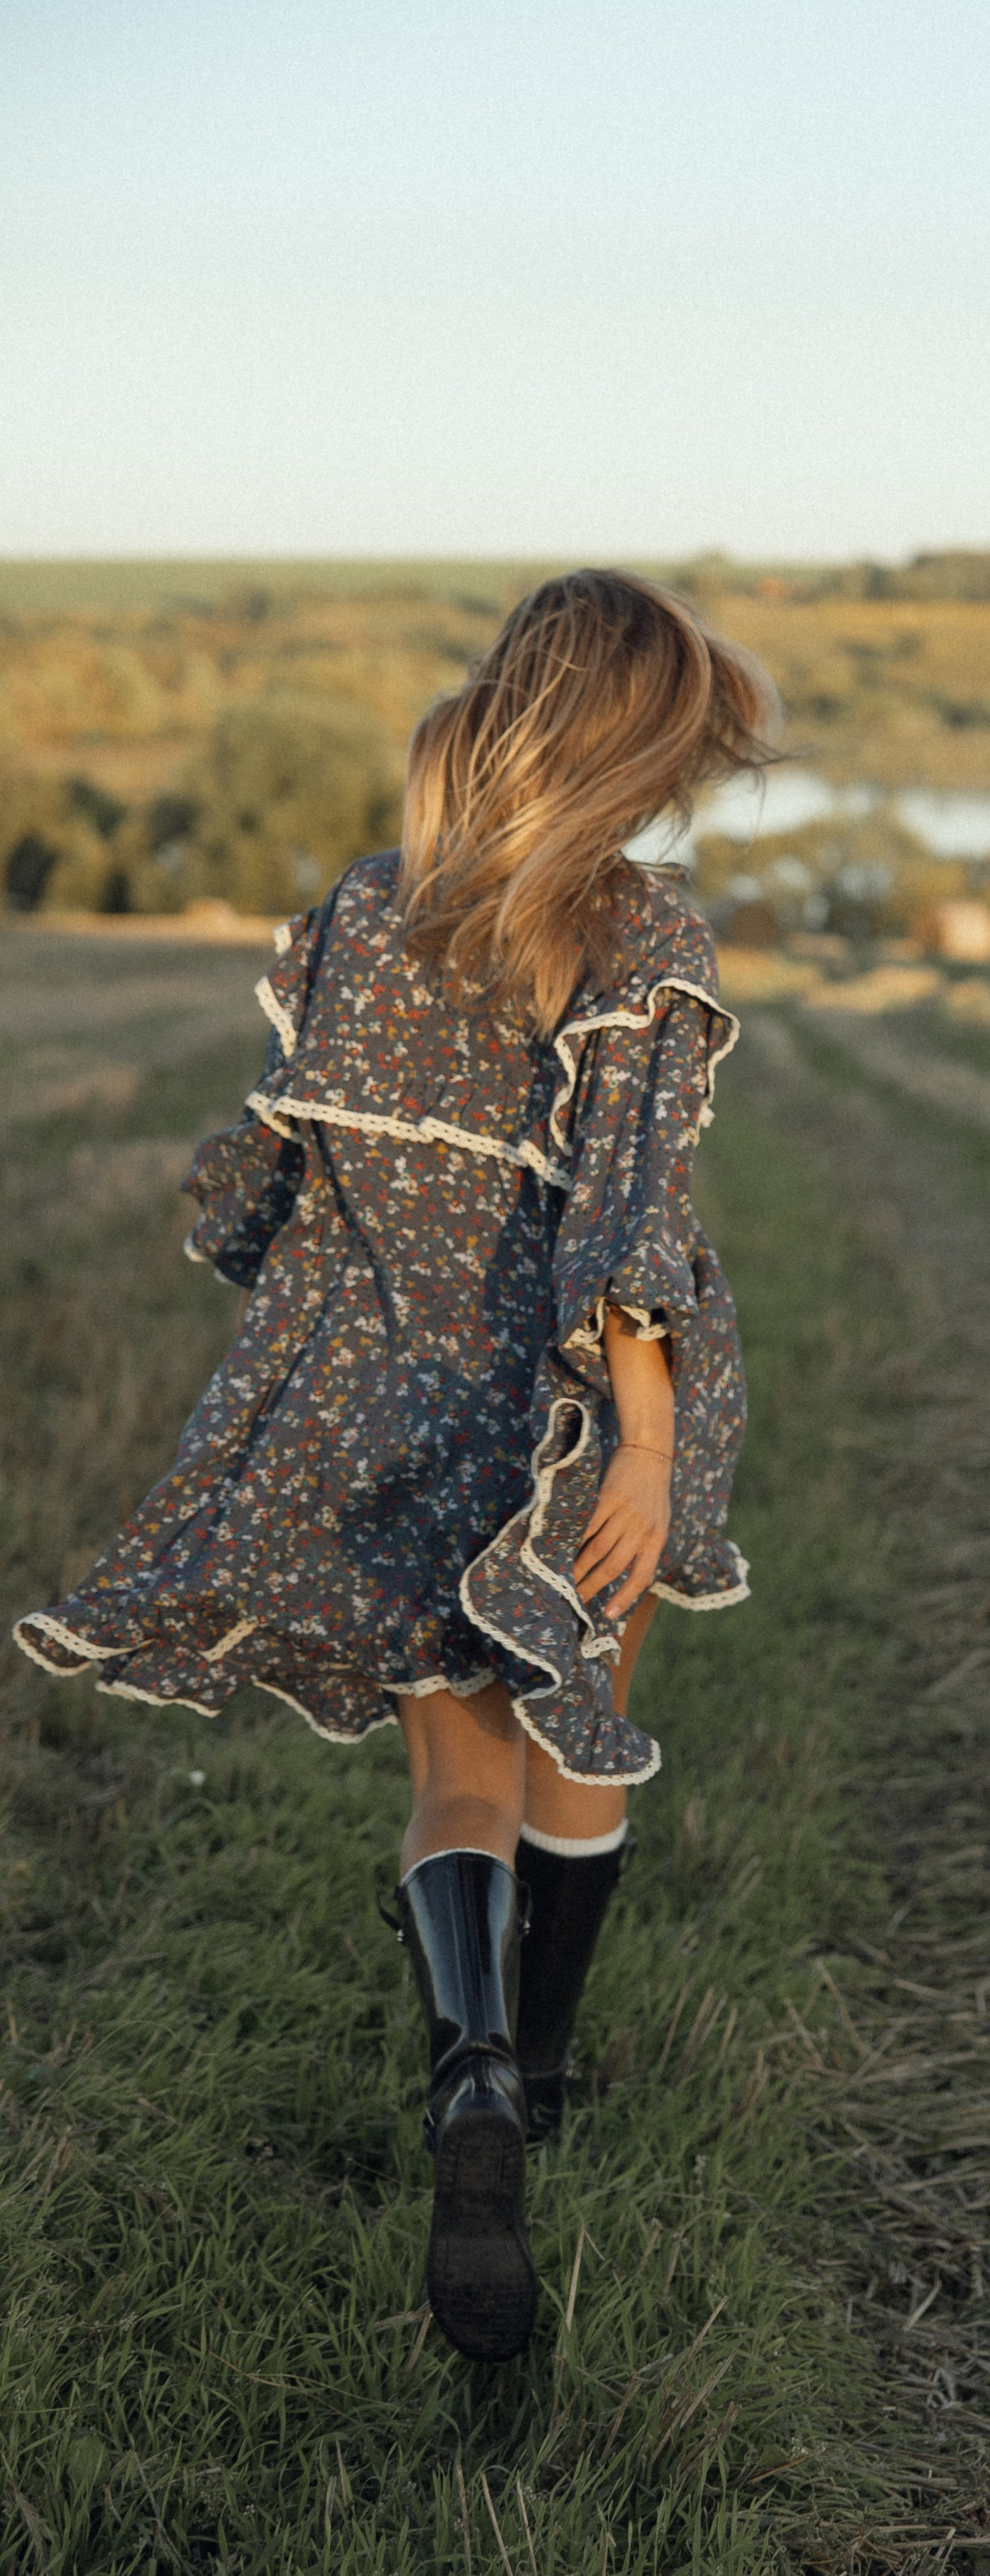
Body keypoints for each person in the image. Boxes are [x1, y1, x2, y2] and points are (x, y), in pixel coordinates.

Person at [14, 570, 775, 2361]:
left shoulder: (370, 906)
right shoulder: (642, 931)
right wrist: (646, 1440)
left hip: (387, 1398)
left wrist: (285, 1306)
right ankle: (546, 2068)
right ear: (634, 749)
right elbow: (627, 1215)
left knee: (453, 1781)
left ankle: (472, 2072)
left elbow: (281, 1165)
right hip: (571, 1411)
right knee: (573, 1739)